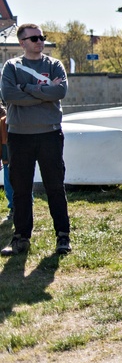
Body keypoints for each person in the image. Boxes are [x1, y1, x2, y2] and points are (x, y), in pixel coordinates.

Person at [0, 24, 71, 256]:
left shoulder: (54, 65)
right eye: (34, 39)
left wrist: (27, 89)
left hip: (49, 134)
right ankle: (21, 238)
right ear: (22, 43)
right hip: (20, 136)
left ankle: (63, 236)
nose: (39, 42)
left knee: (55, 187)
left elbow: (59, 93)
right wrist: (42, 93)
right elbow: (9, 95)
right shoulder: (12, 66)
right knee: (21, 189)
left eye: (42, 37)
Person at [0, 104, 12, 222]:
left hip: (9, 149)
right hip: (5, 151)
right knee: (8, 182)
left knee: (16, 180)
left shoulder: (5, 116)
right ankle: (13, 207)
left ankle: (16, 207)